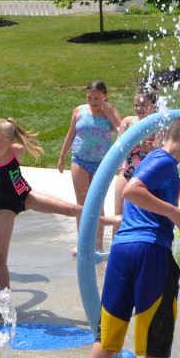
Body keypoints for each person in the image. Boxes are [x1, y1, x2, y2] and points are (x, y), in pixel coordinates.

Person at [66, 113, 180, 358]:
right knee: (158, 330)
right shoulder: (165, 162)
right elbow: (131, 191)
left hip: (123, 251)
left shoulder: (160, 165)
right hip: (152, 251)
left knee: (109, 327)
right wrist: (175, 212)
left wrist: (173, 189)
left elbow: (142, 191)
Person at [0, 118, 102, 293]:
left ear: (9, 142)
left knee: (69, 209)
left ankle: (104, 219)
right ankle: (3, 303)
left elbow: (11, 167)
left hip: (26, 197)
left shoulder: (17, 150)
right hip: (5, 207)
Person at [57, 81, 122, 254]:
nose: (93, 102)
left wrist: (111, 115)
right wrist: (62, 156)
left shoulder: (111, 111)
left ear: (106, 96)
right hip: (80, 160)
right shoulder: (80, 111)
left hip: (102, 162)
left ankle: (98, 245)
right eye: (89, 97)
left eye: (97, 98)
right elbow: (71, 134)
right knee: (82, 204)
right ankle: (83, 243)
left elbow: (122, 133)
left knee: (97, 203)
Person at [112, 88, 161, 237]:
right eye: (136, 105)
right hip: (127, 172)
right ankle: (116, 247)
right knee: (118, 215)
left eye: (143, 105)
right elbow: (119, 147)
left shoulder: (158, 123)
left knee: (145, 216)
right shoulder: (128, 122)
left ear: (153, 106)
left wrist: (151, 147)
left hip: (146, 178)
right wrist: (137, 143)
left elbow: (161, 150)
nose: (139, 108)